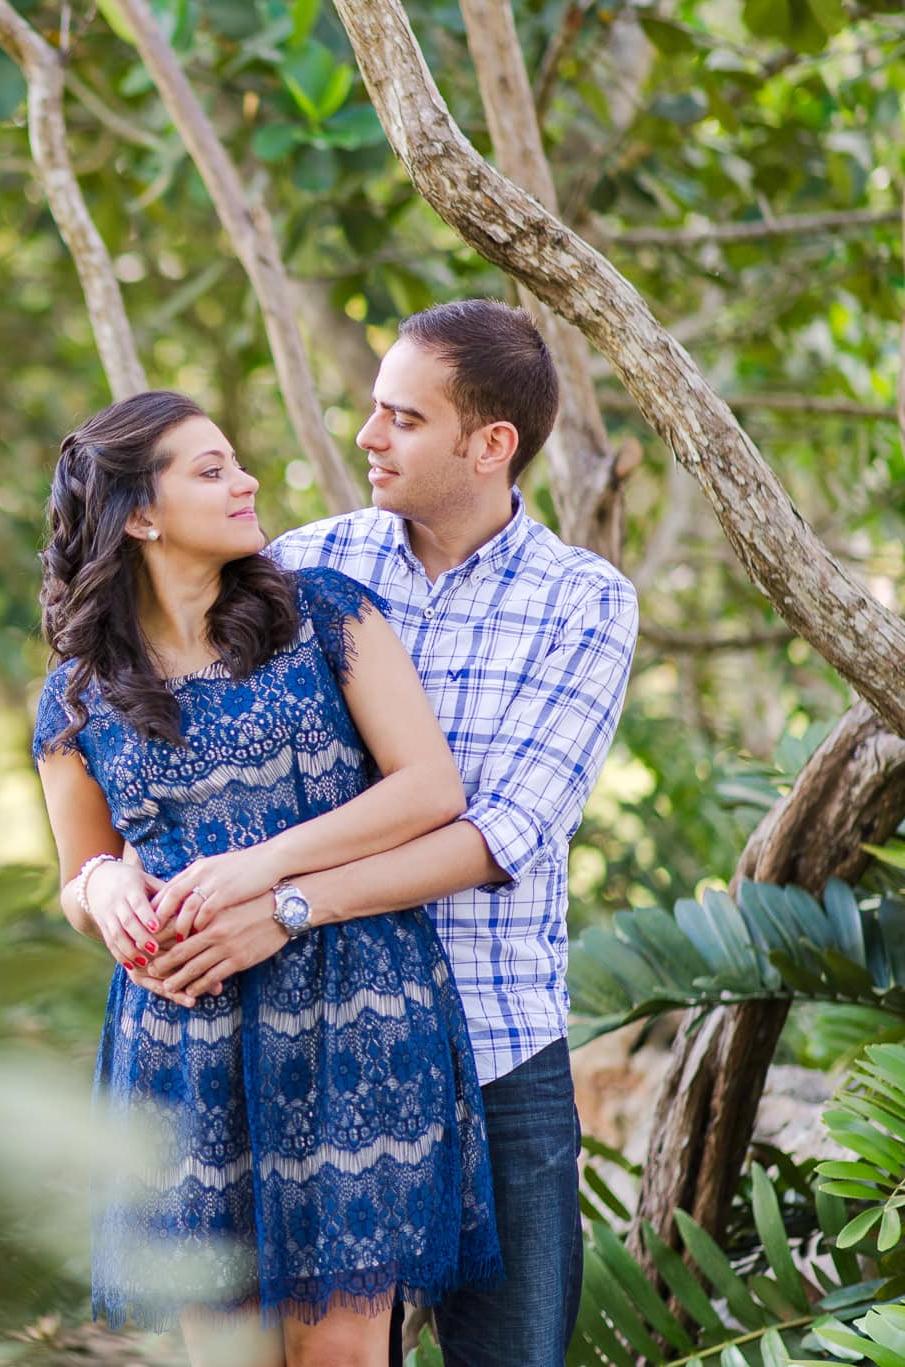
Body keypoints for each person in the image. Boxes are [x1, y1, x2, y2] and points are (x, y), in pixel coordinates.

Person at [134, 300, 638, 1367]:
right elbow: (198, 737)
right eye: (372, 409)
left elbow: (503, 835)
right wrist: (113, 877)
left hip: (496, 1041)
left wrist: (283, 903)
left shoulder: (582, 602)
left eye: (400, 417)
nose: (366, 434)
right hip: (318, 1037)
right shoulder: (306, 568)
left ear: (488, 443)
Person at [32, 388, 503, 1367]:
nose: (246, 480)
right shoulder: (76, 691)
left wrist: (260, 863)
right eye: (210, 470)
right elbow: (77, 870)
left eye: (233, 460)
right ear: (139, 514)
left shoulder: (323, 612)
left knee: (336, 1350)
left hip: (351, 1013)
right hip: (182, 1043)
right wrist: (105, 894)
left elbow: (428, 788)